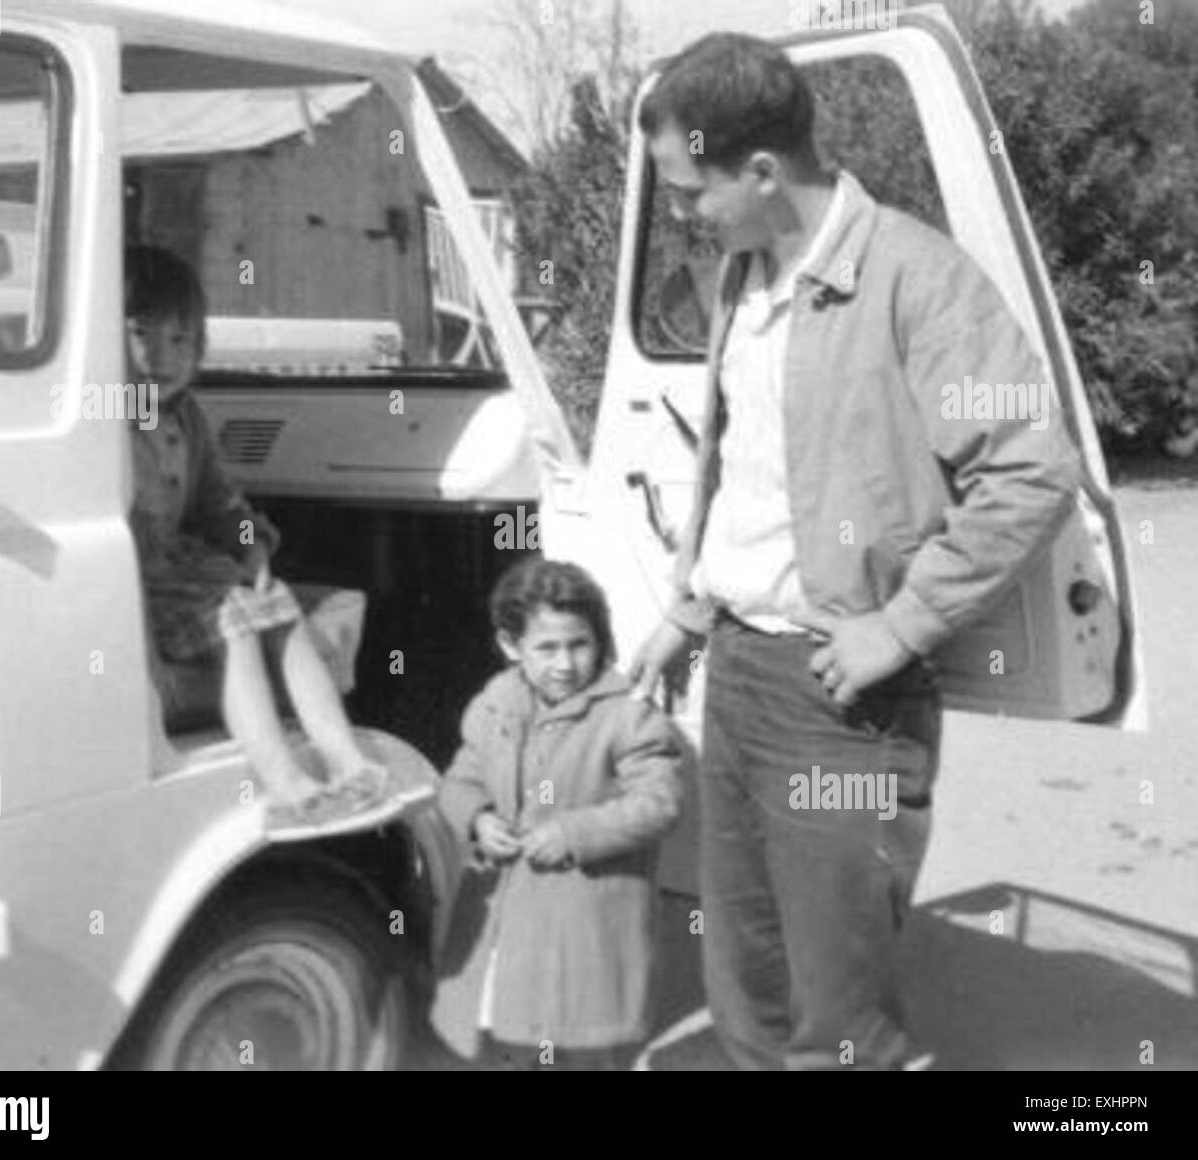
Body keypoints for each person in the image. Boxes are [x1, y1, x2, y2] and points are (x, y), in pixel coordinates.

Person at [629, 33, 1083, 1070]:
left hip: (841, 703)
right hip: (735, 676)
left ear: (759, 171)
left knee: (840, 1030)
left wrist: (902, 622)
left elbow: (1029, 468)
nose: (682, 215)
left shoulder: (919, 283)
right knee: (744, 993)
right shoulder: (737, 282)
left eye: (690, 191)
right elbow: (743, 471)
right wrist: (687, 609)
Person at [124, 245, 388, 829]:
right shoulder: (107, 417)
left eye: (181, 340)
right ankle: (283, 780)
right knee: (237, 626)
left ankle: (345, 760)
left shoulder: (189, 417)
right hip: (139, 581)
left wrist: (250, 545)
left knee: (281, 606)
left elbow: (224, 503)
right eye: (143, 335)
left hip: (192, 571)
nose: (162, 357)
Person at [430, 559, 685, 1069]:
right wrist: (478, 818)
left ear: (601, 640)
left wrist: (575, 831)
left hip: (585, 926)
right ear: (510, 646)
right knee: (508, 1037)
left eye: (579, 644)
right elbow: (460, 780)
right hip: (507, 924)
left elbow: (659, 802)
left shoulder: (628, 714)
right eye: (546, 648)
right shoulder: (495, 704)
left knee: (582, 1045)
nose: (565, 664)